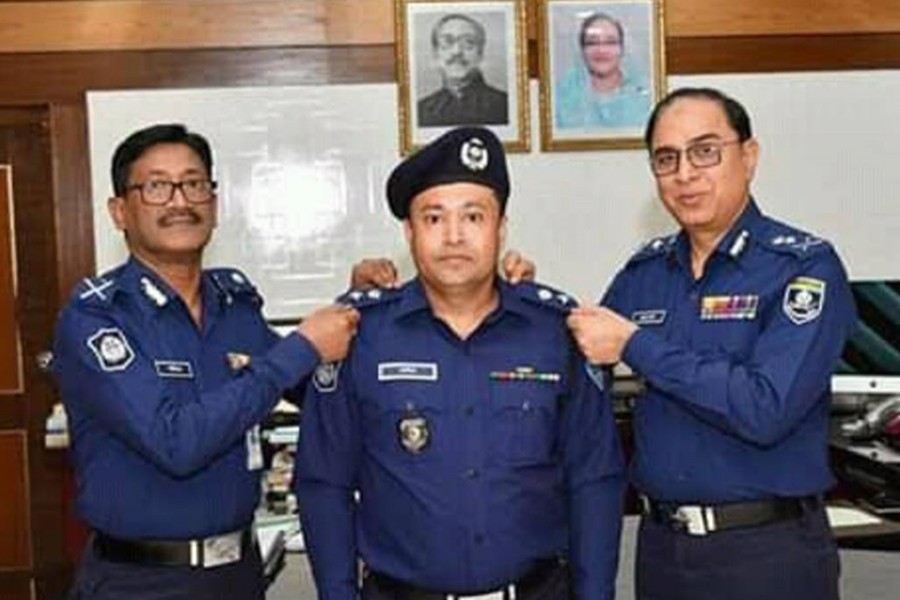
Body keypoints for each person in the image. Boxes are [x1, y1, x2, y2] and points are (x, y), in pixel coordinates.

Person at [295, 126, 625, 600]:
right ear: (409, 232)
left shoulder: (555, 331)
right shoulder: (360, 334)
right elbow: (324, 482)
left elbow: (594, 478)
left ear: (501, 227)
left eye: (473, 216)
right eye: (433, 218)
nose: (453, 236)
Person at [566, 88, 856, 600]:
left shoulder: (803, 268)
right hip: (662, 552)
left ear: (749, 156)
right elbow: (579, 368)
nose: (685, 174)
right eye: (666, 158)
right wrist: (498, 291)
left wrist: (637, 344)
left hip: (767, 555)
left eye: (705, 151)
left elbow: (765, 408)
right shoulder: (643, 275)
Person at [52, 123, 360, 599]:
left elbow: (319, 389)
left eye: (194, 183)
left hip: (237, 575)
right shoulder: (97, 318)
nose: (180, 200)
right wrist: (302, 346)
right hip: (140, 582)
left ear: (214, 204)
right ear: (120, 212)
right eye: (156, 186)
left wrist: (371, 305)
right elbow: (175, 442)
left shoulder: (234, 305)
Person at [554, 12, 652, 130]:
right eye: (592, 43)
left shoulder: (645, 95)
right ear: (582, 50)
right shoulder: (561, 98)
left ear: (622, 49)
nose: (601, 50)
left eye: (611, 42)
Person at [417, 13, 509, 127]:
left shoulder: (504, 105)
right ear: (435, 53)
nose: (457, 51)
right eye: (447, 42)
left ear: (480, 53)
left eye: (468, 42)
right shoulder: (420, 110)